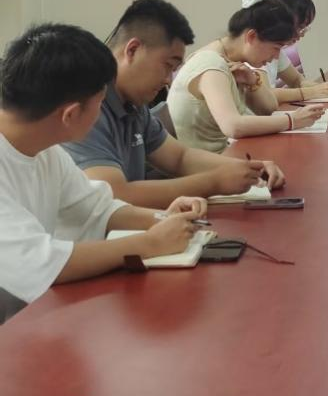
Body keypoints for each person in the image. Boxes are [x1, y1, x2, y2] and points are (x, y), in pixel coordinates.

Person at [0, 24, 206, 323]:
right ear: (71, 114)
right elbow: (43, 262)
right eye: (100, 103)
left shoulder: (46, 151)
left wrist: (162, 219)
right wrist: (149, 243)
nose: (102, 113)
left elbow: (97, 208)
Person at [62, 0, 287, 209]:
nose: (168, 80)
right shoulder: (87, 105)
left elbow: (180, 158)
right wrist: (214, 182)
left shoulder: (133, 102)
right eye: (168, 65)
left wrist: (247, 168)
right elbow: (116, 194)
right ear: (132, 50)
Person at [167, 0, 325, 152]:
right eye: (276, 48)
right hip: (210, 162)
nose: (276, 57)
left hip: (226, 154)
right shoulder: (210, 64)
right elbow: (233, 126)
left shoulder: (234, 63)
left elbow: (268, 108)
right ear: (251, 37)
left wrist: (253, 82)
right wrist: (292, 120)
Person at [241, 0, 328, 102]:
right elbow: (264, 95)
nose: (301, 34)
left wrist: (319, 88)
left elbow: (296, 80)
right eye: (300, 27)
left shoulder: (275, 48)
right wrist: (309, 92)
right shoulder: (259, 46)